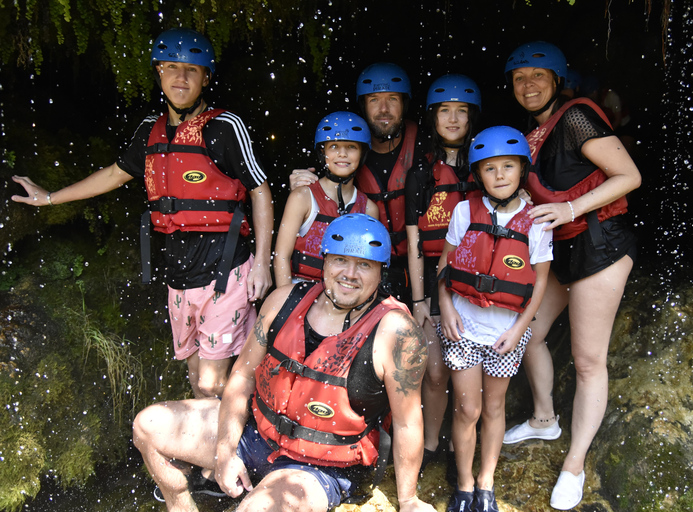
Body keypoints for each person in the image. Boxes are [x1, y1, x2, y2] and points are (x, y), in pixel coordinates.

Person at [11, 28, 274, 399]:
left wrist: (263, 261)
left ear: (206, 78)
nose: (179, 78)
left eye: (191, 70)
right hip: (178, 269)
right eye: (170, 68)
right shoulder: (150, 131)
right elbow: (115, 174)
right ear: (158, 73)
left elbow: (260, 188)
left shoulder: (223, 128)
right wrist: (50, 198)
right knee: (196, 375)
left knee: (213, 382)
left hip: (225, 265)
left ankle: (229, 450)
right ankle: (212, 451)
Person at [132, 214, 436, 512]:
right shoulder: (284, 300)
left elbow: (408, 422)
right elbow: (242, 376)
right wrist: (225, 452)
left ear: (381, 272)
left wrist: (408, 500)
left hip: (322, 464)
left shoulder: (396, 333)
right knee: (147, 426)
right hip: (257, 432)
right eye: (340, 260)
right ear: (325, 261)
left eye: (364, 265)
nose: (350, 274)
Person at [503, 41, 641, 510]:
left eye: (539, 76)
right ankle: (545, 419)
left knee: (586, 360)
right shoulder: (532, 133)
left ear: (558, 81)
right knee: (528, 334)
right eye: (520, 78)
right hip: (560, 251)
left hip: (600, 243)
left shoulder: (578, 115)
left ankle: (574, 464)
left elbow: (628, 175)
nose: (529, 85)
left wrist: (570, 207)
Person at [436, 126, 552, 512]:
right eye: (490, 168)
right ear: (478, 174)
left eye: (508, 166)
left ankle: (486, 483)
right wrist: (447, 307)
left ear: (522, 169)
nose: (500, 175)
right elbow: (445, 264)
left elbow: (539, 287)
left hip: (506, 331)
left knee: (494, 408)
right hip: (464, 326)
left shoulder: (536, 221)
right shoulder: (465, 210)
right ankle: (465, 484)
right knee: (467, 409)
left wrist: (519, 329)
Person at [290, 62, 426, 304]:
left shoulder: (424, 145)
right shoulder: (347, 147)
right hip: (362, 268)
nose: (384, 109)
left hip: (416, 264)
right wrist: (300, 183)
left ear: (404, 103)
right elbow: (319, 182)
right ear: (363, 105)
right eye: (374, 99)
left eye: (392, 99)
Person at [404, 74, 483, 474]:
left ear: (472, 118)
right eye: (445, 111)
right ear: (433, 118)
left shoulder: (487, 169)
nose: (453, 119)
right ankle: (432, 444)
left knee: (465, 375)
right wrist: (418, 300)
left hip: (478, 289)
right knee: (435, 372)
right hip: (434, 288)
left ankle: (458, 446)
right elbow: (416, 241)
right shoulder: (421, 173)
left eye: (462, 111)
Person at [273, 111, 378, 287]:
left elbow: (368, 267)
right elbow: (281, 257)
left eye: (351, 147)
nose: (342, 154)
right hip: (300, 289)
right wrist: (286, 304)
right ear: (323, 152)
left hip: (345, 295)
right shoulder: (302, 197)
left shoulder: (368, 209)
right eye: (334, 147)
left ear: (362, 153)